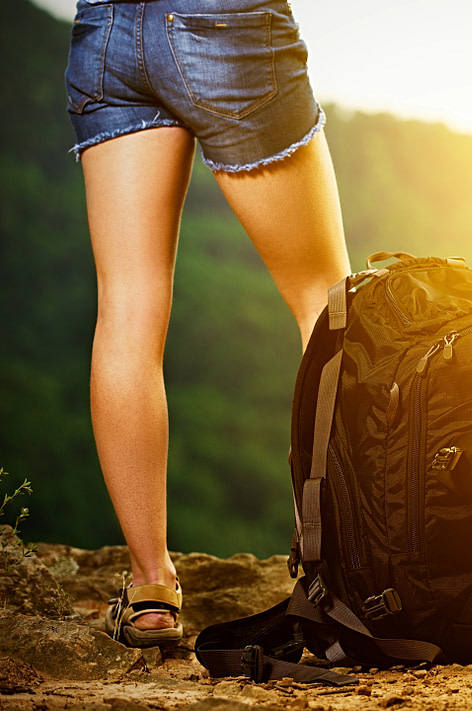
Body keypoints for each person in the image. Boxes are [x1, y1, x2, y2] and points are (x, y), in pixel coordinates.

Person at [65, 0, 350, 647]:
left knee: (127, 308)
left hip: (108, 27)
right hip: (225, 21)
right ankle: (348, 570)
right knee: (325, 302)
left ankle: (151, 592)